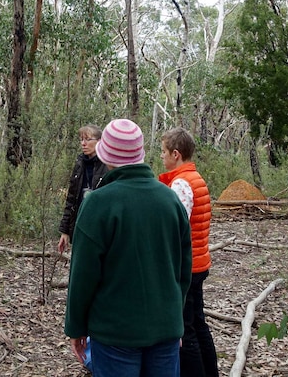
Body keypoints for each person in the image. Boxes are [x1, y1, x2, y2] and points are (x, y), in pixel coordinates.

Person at [64, 119, 192, 377]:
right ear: (140, 154)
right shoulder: (169, 200)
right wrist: (175, 319)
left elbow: (83, 275)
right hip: (164, 329)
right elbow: (183, 271)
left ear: (105, 155)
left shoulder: (98, 203)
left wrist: (76, 328)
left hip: (115, 333)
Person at [159, 127, 219, 377]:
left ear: (176, 154)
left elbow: (176, 229)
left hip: (188, 267)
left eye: (163, 152)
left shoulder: (182, 184)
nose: (161, 157)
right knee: (198, 323)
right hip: (198, 262)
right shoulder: (195, 178)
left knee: (187, 330)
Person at [57, 124, 108, 255]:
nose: (83, 143)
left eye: (87, 139)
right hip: (80, 223)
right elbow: (71, 199)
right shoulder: (80, 164)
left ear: (99, 141)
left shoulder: (108, 166)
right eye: (81, 139)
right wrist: (65, 231)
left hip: (100, 228)